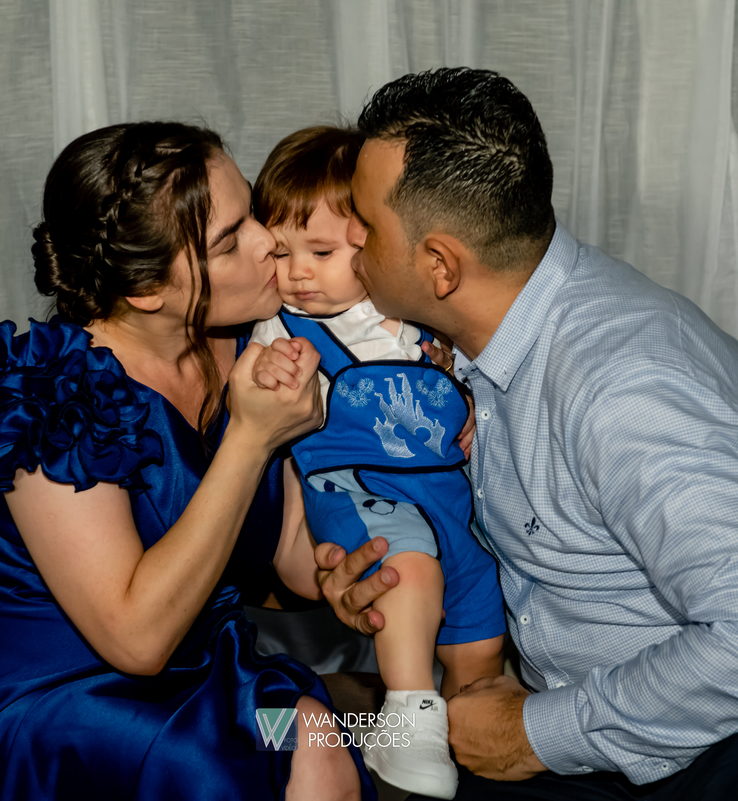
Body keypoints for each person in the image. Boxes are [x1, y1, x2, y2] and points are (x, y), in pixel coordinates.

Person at [312, 67, 738, 800]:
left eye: (365, 221)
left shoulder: (621, 384)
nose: (350, 236)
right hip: (600, 726)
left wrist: (533, 733)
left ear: (439, 264)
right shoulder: (453, 355)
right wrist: (385, 577)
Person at [0, 122, 375, 800]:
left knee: (316, 738)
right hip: (42, 703)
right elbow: (137, 640)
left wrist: (356, 564)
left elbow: (289, 551)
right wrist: (251, 440)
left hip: (201, 676)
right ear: (146, 287)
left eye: (252, 211)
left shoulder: (253, 342)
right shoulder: (51, 398)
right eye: (230, 241)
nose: (268, 242)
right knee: (211, 769)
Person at [248, 125, 506, 799]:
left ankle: (451, 741)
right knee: (404, 567)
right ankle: (409, 712)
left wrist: (468, 397)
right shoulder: (284, 328)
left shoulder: (416, 312)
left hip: (449, 499)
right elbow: (258, 390)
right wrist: (270, 373)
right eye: (280, 252)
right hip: (359, 486)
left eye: (322, 251)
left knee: (479, 632)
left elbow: (473, 377)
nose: (298, 272)